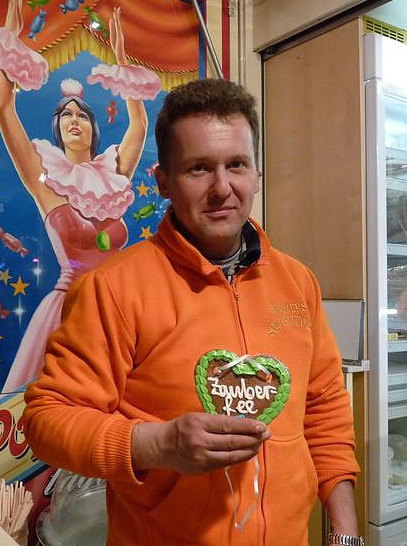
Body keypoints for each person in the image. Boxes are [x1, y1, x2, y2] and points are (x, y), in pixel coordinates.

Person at [22, 78, 362, 545]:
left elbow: (324, 412)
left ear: (257, 174)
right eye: (198, 168)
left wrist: (345, 532)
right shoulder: (112, 288)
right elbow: (47, 420)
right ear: (163, 181)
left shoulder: (298, 282)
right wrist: (158, 444)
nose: (222, 188)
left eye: (237, 164)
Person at [0, 0, 161, 393]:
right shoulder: (45, 178)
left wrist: (121, 57)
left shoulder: (113, 174)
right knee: (56, 408)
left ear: (92, 127)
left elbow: (139, 125)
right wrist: (10, 37)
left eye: (82, 115)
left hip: (119, 311)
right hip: (67, 313)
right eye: (66, 115)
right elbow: (2, 106)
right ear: (57, 129)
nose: (74, 120)